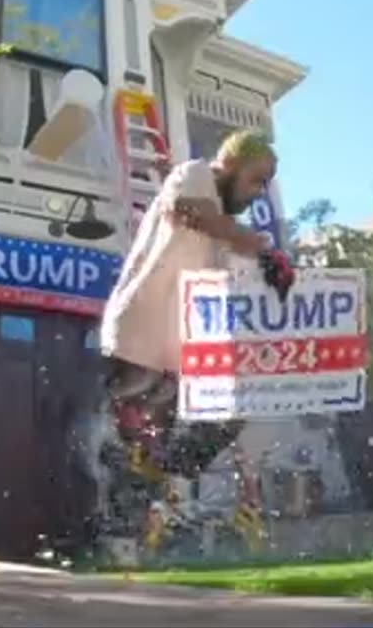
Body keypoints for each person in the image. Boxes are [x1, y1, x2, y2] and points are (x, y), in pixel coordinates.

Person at [90, 129, 281, 547]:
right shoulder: (195, 175)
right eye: (256, 179)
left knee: (227, 410)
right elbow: (189, 210)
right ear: (229, 165)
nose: (258, 193)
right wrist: (246, 240)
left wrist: (273, 269)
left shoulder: (227, 229)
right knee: (135, 437)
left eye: (265, 185)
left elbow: (239, 279)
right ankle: (130, 496)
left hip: (177, 356)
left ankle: (155, 481)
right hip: (139, 337)